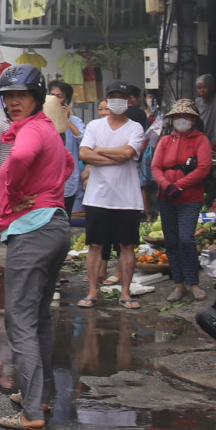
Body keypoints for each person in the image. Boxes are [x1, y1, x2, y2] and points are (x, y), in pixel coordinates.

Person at [0, 64, 75, 430]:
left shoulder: (31, 132)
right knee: (37, 318)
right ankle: (39, 395)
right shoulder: (47, 130)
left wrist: (12, 195)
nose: (12, 103)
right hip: (55, 225)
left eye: (19, 96)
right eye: (7, 97)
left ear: (37, 98)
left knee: (20, 320)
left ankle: (32, 413)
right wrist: (45, 191)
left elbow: (19, 161)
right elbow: (69, 164)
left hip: (35, 230)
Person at [79, 81, 146, 310]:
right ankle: (92, 291)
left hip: (126, 198)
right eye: (112, 96)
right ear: (106, 100)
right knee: (95, 245)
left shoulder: (135, 128)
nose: (116, 100)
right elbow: (84, 154)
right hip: (97, 197)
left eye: (121, 96)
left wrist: (100, 151)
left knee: (126, 246)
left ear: (129, 101)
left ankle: (125, 292)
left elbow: (129, 153)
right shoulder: (95, 126)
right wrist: (113, 156)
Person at [150, 100, 213, 302]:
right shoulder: (166, 140)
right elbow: (155, 167)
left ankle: (193, 283)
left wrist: (180, 185)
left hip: (189, 198)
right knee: (171, 241)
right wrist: (167, 185)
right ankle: (178, 284)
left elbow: (203, 168)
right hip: (166, 197)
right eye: (177, 117)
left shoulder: (201, 140)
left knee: (186, 239)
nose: (180, 120)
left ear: (193, 119)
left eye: (185, 116)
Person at [47, 79, 85, 215]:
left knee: (64, 215)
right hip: (46, 177)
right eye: (52, 95)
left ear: (66, 100)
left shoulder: (75, 121)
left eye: (59, 96)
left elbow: (83, 140)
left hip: (68, 178)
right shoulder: (41, 118)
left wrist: (67, 120)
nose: (55, 99)